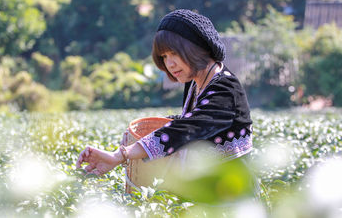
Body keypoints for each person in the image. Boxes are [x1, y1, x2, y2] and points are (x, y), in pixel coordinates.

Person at [76, 9, 253, 177]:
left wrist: (122, 155)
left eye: (174, 53)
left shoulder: (226, 89)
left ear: (198, 47)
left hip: (230, 198)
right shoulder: (196, 82)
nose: (170, 64)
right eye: (164, 57)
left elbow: (190, 127)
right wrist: (140, 136)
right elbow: (187, 120)